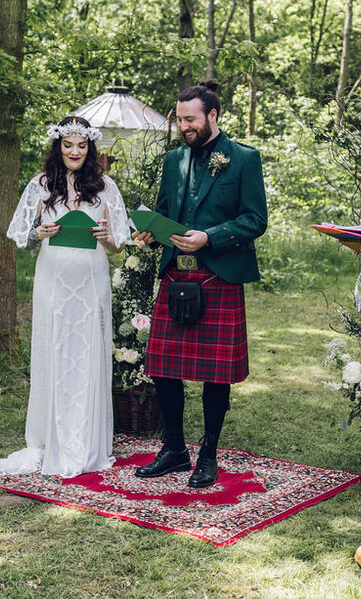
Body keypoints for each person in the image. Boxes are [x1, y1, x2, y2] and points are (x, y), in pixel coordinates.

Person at [0, 116, 130, 478]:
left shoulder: (105, 187)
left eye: (81, 146)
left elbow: (117, 245)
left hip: (91, 281)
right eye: (67, 145)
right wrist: (39, 231)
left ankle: (87, 440)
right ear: (57, 147)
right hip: (53, 280)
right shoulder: (41, 185)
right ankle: (49, 437)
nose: (74, 152)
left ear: (90, 148)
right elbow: (20, 235)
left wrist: (105, 235)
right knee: (55, 351)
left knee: (87, 352)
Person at [132, 81, 267, 488]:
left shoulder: (243, 158)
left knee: (214, 373)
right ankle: (174, 448)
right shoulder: (174, 160)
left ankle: (208, 454)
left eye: (191, 119)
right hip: (176, 274)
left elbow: (255, 220)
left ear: (213, 115)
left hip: (217, 276)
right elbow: (163, 209)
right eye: (180, 119)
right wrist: (151, 231)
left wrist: (210, 236)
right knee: (163, 366)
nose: (184, 127)